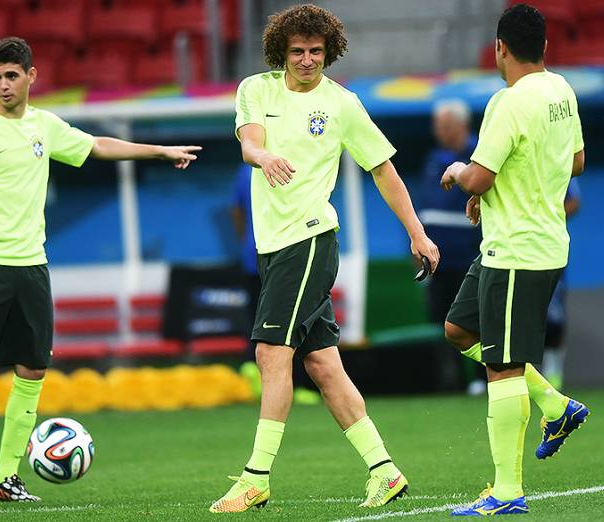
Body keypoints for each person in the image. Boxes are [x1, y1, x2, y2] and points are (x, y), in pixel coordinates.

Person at [0, 37, 201, 502]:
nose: (3, 85)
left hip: (32, 267)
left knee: (32, 370)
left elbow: (96, 146)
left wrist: (159, 150)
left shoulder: (44, 126)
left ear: (32, 76)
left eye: (11, 76)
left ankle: (6, 478)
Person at [209, 5, 440, 512]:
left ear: (329, 51)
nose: (308, 59)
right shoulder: (256, 89)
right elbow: (250, 143)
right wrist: (265, 156)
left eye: (317, 51)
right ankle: (385, 471)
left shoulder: (343, 105)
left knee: (271, 354)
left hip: (311, 241)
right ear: (280, 52)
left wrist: (416, 232)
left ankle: (256, 477)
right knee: (323, 365)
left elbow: (384, 171)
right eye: (298, 51)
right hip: (272, 248)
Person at [438, 4, 589, 516]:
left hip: (517, 251)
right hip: (526, 243)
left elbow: (477, 175)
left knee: (502, 368)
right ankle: (554, 403)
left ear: (500, 47)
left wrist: (460, 171)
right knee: (460, 330)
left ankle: (507, 492)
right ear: (545, 47)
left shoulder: (508, 102)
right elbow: (576, 162)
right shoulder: (561, 91)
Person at [233, 164, 321, 405]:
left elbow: (237, 211)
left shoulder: (245, 171)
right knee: (292, 325)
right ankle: (290, 385)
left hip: (257, 257)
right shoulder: (289, 163)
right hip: (281, 257)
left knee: (259, 324)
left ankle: (265, 382)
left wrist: (245, 241)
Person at [417, 99, 486, 396]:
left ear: (462, 125)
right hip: (439, 260)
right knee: (443, 322)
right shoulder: (433, 159)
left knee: (479, 321)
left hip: (472, 258)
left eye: (446, 126)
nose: (441, 132)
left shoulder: (479, 153)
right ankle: (454, 382)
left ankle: (486, 378)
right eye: (438, 126)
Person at [543, 178, 581, 389]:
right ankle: (521, 378)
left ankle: (553, 373)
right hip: (514, 248)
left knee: (554, 316)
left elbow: (574, 201)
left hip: (549, 248)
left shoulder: (558, 155)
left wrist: (543, 218)